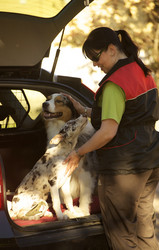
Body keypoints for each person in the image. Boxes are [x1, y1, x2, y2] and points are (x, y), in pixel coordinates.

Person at [63, 27, 159, 250]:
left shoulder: (115, 83)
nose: (95, 64)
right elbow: (131, 116)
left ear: (112, 49)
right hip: (150, 160)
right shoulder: (143, 72)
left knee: (122, 234)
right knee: (145, 228)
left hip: (124, 169)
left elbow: (108, 132)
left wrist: (78, 153)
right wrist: (85, 110)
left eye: (96, 57)